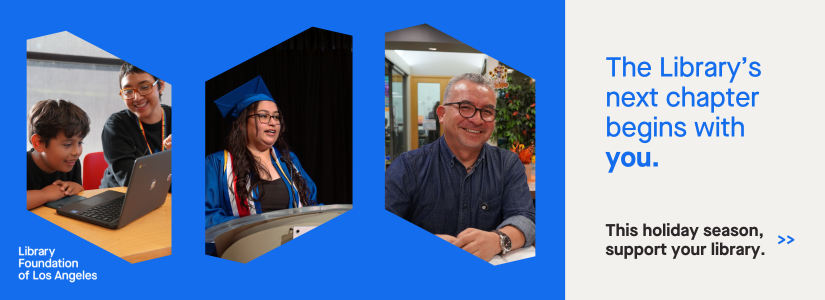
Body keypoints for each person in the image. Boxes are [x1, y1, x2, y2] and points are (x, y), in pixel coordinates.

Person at [385, 73, 535, 262]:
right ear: (442, 114)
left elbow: (526, 218)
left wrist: (498, 240)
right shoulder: (409, 166)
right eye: (465, 107)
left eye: (487, 111)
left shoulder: (508, 164)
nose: (477, 119)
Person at [205, 76, 318, 229]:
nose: (272, 122)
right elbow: (206, 216)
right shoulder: (218, 164)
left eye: (276, 117)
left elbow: (311, 203)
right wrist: (253, 228)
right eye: (263, 116)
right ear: (241, 123)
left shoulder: (289, 161)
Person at [99, 63, 172, 188]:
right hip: (120, 198)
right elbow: (132, 181)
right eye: (128, 91)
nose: (137, 98)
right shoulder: (116, 125)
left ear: (161, 85)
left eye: (144, 87)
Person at [26, 99, 91, 210]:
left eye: (80, 142)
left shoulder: (71, 162)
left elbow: (76, 194)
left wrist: (76, 187)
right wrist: (45, 195)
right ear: (39, 143)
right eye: (67, 144)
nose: (76, 152)